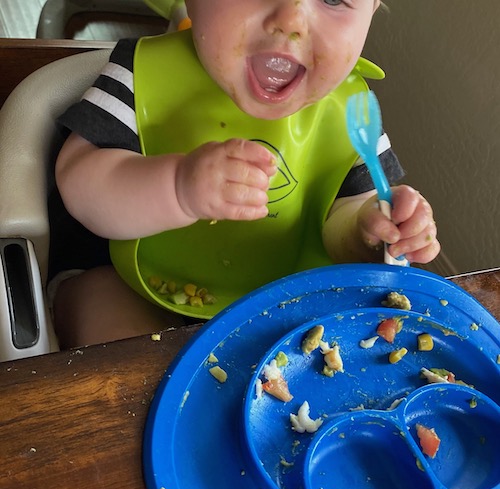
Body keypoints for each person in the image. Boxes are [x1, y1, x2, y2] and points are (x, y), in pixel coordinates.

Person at [52, 0, 440, 349]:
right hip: (131, 287)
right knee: (101, 321)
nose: (291, 20)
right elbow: (80, 181)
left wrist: (371, 230)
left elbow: (342, 222)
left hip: (277, 309)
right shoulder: (145, 75)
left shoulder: (350, 109)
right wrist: (177, 187)